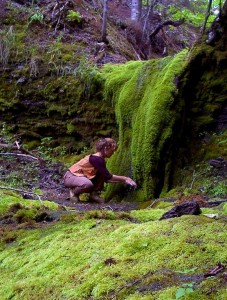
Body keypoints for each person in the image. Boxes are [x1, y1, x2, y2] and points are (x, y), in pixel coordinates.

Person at [63, 138, 137, 203]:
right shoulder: (96, 159)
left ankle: (94, 194)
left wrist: (122, 181)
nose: (113, 153)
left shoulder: (100, 160)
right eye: (112, 150)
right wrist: (125, 179)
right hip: (71, 177)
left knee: (101, 174)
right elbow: (109, 177)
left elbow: (105, 178)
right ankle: (74, 193)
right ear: (105, 148)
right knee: (87, 184)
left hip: (80, 177)